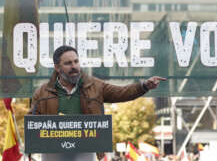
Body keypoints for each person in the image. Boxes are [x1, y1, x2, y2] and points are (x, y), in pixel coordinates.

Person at [29, 45, 166, 161]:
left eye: (76, 61)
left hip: (86, 150)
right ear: (57, 67)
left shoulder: (95, 86)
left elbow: (122, 92)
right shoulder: (42, 93)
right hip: (53, 153)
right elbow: (32, 124)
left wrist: (144, 86)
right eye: (68, 63)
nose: (74, 66)